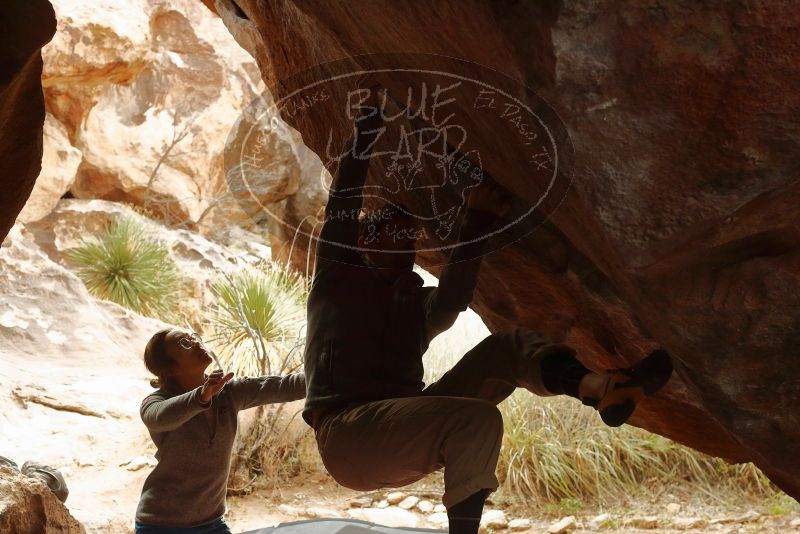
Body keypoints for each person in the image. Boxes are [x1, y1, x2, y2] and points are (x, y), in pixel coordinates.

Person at [303, 83, 673, 534]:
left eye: (411, 238)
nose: (407, 245)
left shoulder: (413, 306)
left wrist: (478, 218)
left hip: (404, 427)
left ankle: (604, 388)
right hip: (350, 437)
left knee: (507, 348)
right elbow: (343, 205)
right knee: (477, 419)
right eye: (396, 235)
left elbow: (454, 298)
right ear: (364, 242)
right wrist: (366, 126)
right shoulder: (338, 282)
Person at [134, 327, 306, 534]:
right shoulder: (156, 401)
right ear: (170, 369)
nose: (196, 342)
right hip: (160, 524)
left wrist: (336, 376)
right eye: (184, 343)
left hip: (211, 523)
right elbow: (158, 418)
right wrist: (201, 396)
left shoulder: (229, 392)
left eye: (193, 337)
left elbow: (288, 386)